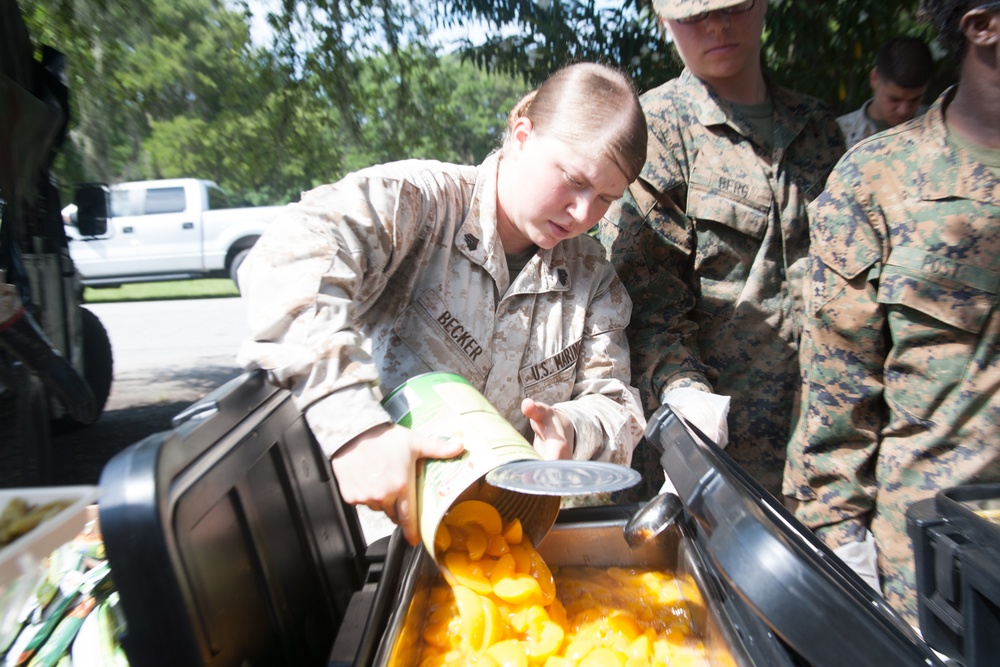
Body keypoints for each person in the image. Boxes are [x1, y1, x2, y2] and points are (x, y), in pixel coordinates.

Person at [237, 62, 648, 547]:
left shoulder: (591, 276)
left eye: (604, 197)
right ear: (522, 135)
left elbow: (617, 407)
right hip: (384, 539)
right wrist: (354, 428)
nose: (583, 213)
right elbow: (287, 257)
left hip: (505, 541)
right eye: (574, 180)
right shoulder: (419, 205)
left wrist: (570, 428)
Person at [784, 0, 999, 626]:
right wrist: (843, 564)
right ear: (982, 24)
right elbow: (834, 408)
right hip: (936, 580)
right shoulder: (877, 180)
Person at [597, 0, 845, 498]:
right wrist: (688, 398)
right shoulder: (651, 131)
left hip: (818, 454)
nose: (716, 25)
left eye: (733, 6)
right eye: (693, 15)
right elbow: (645, 313)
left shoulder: (818, 128)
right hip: (707, 457)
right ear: (664, 22)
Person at [837, 35, 934, 148]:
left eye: (914, 100)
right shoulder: (839, 134)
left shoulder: (938, 126)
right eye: (894, 99)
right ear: (874, 78)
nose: (903, 110)